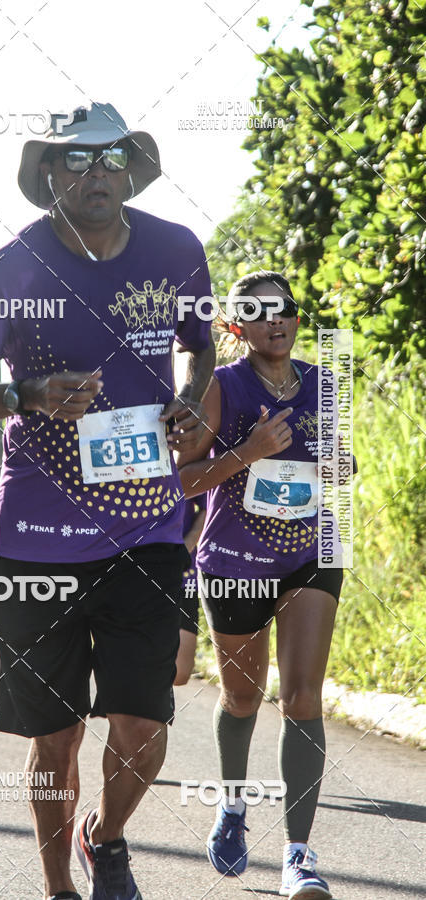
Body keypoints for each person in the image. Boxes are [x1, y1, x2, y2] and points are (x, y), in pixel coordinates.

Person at [0, 101, 215, 900]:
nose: (98, 173)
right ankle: (58, 890)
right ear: (49, 175)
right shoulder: (13, 267)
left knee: (142, 726)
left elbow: (201, 348)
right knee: (54, 740)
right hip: (38, 542)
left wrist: (192, 402)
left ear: (131, 168)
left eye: (112, 158)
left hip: (147, 526)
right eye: (79, 160)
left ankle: (108, 836)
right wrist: (26, 394)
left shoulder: (176, 250)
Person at [178, 271, 346, 900]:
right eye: (258, 311)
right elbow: (185, 481)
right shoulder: (220, 387)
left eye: (287, 310)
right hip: (233, 559)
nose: (276, 321)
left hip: (309, 552)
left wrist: (338, 463)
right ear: (235, 325)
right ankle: (232, 805)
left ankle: (298, 857)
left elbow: (338, 460)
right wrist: (246, 452)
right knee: (243, 699)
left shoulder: (326, 384)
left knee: (303, 696)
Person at [174, 496, 206, 686]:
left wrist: (188, 544)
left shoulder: (180, 464)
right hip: (129, 575)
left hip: (181, 577)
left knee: (179, 672)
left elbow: (208, 505)